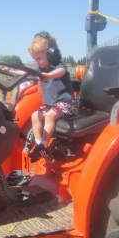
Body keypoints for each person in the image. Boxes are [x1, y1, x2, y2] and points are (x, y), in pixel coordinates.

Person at [27, 31, 79, 162]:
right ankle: (40, 146)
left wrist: (48, 76)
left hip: (67, 103)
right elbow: (26, 72)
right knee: (35, 115)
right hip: (52, 105)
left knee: (50, 115)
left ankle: (44, 143)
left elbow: (61, 72)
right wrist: (9, 70)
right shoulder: (40, 70)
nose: (37, 62)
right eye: (35, 59)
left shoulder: (58, 67)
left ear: (51, 55)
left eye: (39, 59)